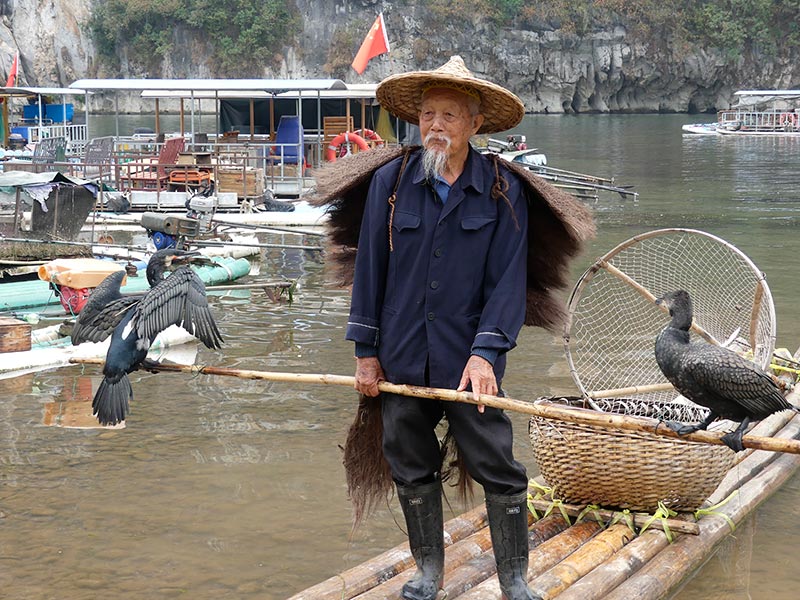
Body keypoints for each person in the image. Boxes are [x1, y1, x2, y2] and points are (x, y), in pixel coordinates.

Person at [346, 56, 536, 600]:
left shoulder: (501, 190)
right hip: (402, 353)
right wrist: (366, 350)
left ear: (474, 124)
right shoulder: (390, 182)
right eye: (427, 113)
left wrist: (486, 355)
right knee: (408, 459)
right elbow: (369, 275)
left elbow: (508, 282)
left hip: (467, 359)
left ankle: (514, 579)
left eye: (449, 116)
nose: (434, 126)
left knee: (497, 463)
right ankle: (428, 570)